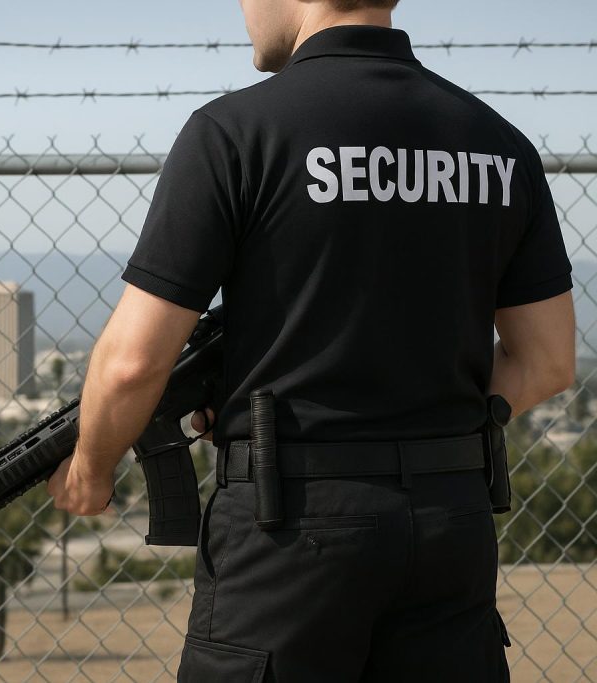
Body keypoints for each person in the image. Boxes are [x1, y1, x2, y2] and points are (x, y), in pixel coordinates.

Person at [46, 0, 576, 680]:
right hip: (451, 525)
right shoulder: (499, 145)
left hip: (288, 529)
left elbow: (132, 362)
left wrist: (91, 467)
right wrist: (432, 429)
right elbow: (550, 361)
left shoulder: (234, 132)